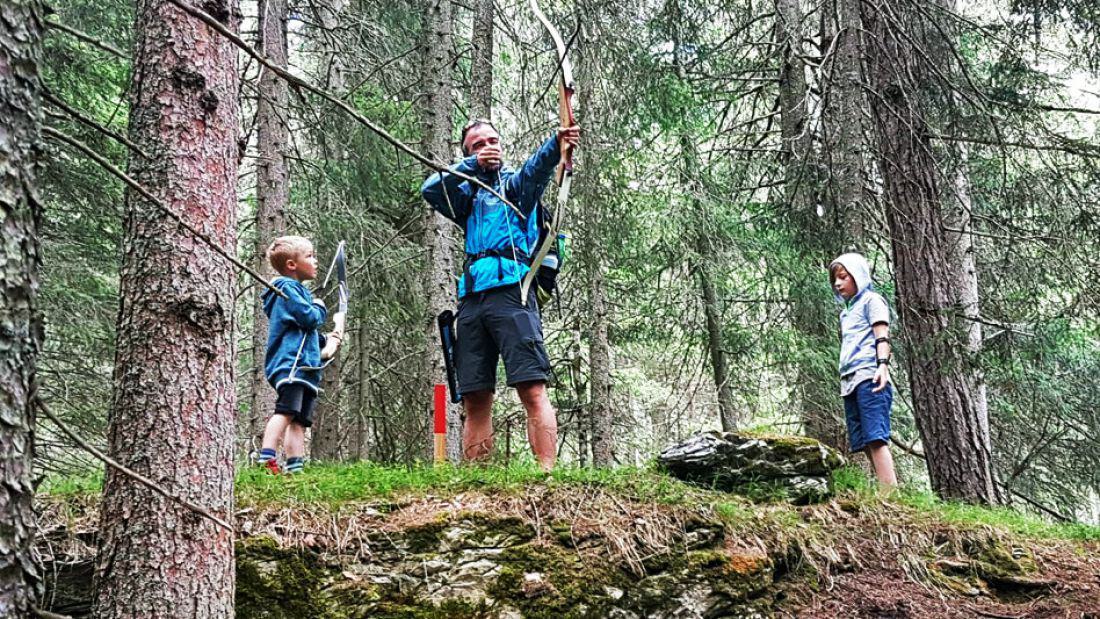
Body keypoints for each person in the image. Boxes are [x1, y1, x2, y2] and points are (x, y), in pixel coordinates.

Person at [420, 119, 580, 472]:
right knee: (476, 395)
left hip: (513, 293)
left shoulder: (517, 186)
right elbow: (431, 189)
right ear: (468, 153)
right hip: (473, 300)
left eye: (492, 140)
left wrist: (557, 143)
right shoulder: (468, 194)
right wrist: (470, 168)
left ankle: (546, 474)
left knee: (531, 386)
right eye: (478, 144)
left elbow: (539, 168)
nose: (488, 146)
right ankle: (478, 479)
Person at [256, 236, 345, 474]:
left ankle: (295, 469)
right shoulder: (286, 288)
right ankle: (266, 458)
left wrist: (330, 339)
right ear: (291, 265)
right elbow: (309, 318)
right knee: (286, 411)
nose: (315, 261)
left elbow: (308, 334)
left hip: (304, 366)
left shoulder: (296, 293)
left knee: (299, 420)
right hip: (291, 364)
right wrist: (319, 306)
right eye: (310, 256)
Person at [829, 252, 897, 488]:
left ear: (857, 276)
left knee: (876, 437)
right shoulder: (845, 312)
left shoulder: (872, 301)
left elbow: (882, 335)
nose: (838, 284)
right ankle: (883, 489)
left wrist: (882, 366)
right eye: (835, 279)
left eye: (843, 277)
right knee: (865, 440)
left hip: (870, 375)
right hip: (850, 380)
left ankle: (890, 495)